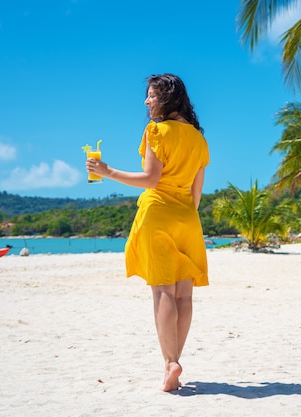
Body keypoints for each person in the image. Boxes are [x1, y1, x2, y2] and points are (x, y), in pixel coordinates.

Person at [86, 73, 210, 392]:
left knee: (163, 293)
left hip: (159, 214)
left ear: (167, 97)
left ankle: (171, 363)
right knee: (184, 294)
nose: (146, 101)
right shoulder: (198, 138)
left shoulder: (156, 130)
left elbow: (151, 179)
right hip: (188, 219)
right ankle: (175, 360)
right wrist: (184, 214)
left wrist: (107, 171)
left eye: (151, 95)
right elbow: (197, 193)